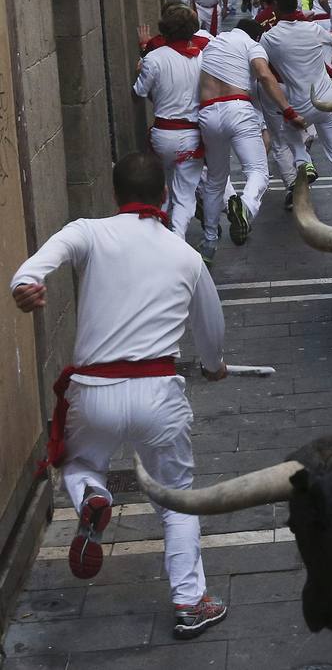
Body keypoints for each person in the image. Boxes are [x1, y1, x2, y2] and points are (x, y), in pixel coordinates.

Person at [9, 151, 229, 638]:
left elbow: (31, 270)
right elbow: (211, 331)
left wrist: (25, 287)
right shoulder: (187, 256)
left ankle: (93, 495)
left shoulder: (88, 231)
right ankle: (190, 602)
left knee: (79, 463)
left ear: (114, 196)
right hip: (158, 396)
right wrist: (215, 367)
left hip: (94, 394)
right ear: (165, 196)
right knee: (176, 497)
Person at [196, 20, 306, 265]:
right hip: (237, 108)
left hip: (208, 113)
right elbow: (265, 76)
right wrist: (288, 112)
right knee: (257, 171)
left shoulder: (213, 45)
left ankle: (209, 243)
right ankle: (245, 208)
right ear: (257, 36)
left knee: (215, 180)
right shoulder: (250, 44)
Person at [258, 0, 332, 227]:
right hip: (329, 100)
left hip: (300, 105)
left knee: (286, 128)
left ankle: (304, 161)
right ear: (298, 5)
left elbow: (263, 67)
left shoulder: (269, 38)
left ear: (276, 8)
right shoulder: (313, 29)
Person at [132, 4, 207, 238]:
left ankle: (157, 234)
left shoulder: (153, 58)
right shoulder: (202, 58)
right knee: (184, 195)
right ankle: (178, 236)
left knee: (160, 189)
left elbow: (138, 93)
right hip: (192, 138)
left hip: (162, 135)